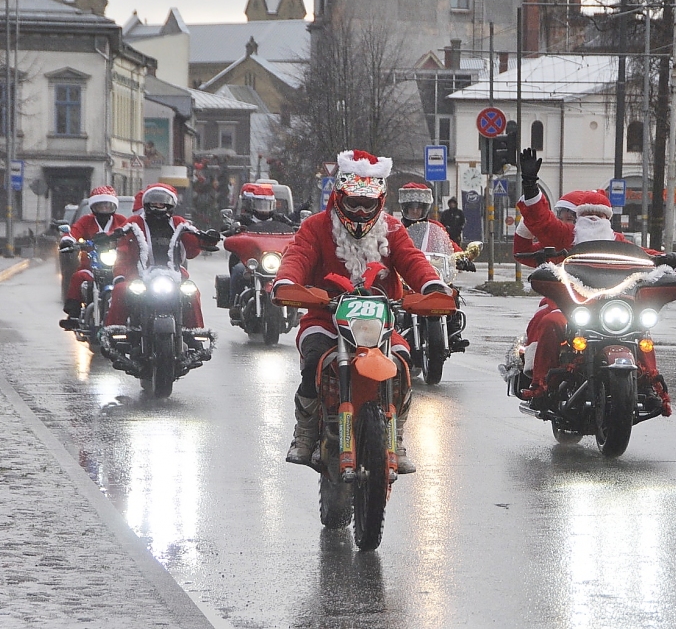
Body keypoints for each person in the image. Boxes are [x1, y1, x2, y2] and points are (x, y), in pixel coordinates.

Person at [272, 149, 450, 473]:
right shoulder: (315, 226)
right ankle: (305, 431)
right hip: (325, 318)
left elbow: (412, 260)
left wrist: (431, 286)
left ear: (380, 202)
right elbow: (297, 255)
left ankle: (396, 435)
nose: (359, 211)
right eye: (353, 202)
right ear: (339, 197)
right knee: (313, 359)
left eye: (367, 204)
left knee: (402, 362)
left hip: (378, 324)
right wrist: (286, 282)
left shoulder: (392, 229)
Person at [515, 148, 676, 415]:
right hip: (573, 301)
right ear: (580, 216)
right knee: (551, 322)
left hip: (614, 302)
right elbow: (541, 222)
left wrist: (664, 259)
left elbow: (642, 255)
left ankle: (649, 384)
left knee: (641, 329)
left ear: (608, 218)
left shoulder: (617, 241)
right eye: (589, 214)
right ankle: (542, 386)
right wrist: (531, 185)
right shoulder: (567, 235)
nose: (594, 219)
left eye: (600, 215)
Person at [104, 184, 219, 329]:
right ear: (146, 204)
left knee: (192, 292)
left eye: (162, 203)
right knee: (120, 290)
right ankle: (114, 332)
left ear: (170, 204)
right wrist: (107, 239)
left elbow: (192, 244)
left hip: (173, 275)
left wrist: (206, 240)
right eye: (154, 203)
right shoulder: (135, 222)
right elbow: (121, 240)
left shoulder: (178, 223)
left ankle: (196, 333)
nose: (158, 206)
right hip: (138, 275)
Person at [58, 186, 129, 330]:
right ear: (93, 207)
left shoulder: (121, 220)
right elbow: (74, 231)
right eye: (100, 205)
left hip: (117, 266)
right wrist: (68, 240)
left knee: (132, 284)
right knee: (79, 276)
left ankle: (132, 315)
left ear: (114, 206)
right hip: (91, 266)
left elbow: (131, 232)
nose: (104, 208)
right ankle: (73, 315)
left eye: (107, 205)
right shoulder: (86, 221)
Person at [225, 182, 296, 317]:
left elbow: (292, 227)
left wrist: (299, 228)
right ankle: (234, 304)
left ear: (273, 205)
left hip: (275, 258)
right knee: (238, 270)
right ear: (253, 204)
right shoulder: (245, 219)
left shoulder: (280, 219)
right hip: (252, 260)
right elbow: (232, 228)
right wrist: (233, 228)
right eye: (261, 204)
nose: (264, 209)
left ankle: (295, 305)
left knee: (294, 272)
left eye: (267, 204)